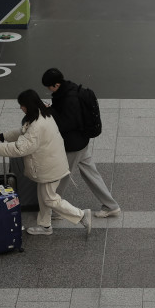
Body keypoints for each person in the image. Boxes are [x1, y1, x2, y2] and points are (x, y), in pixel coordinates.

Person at [0, 89, 93, 236]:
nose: (20, 108)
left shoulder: (37, 125)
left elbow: (20, 147)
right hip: (50, 164)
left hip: (49, 168)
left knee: (50, 199)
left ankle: (81, 215)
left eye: (22, 105)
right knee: (44, 197)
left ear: (28, 105)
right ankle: (45, 226)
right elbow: (24, 133)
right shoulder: (42, 115)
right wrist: (4, 136)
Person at [42, 68, 122, 219]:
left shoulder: (68, 99)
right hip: (81, 142)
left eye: (49, 86)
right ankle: (111, 206)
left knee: (62, 175)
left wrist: (50, 111)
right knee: (91, 174)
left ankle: (55, 207)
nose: (48, 89)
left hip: (73, 145)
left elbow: (66, 123)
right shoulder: (70, 89)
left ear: (56, 85)